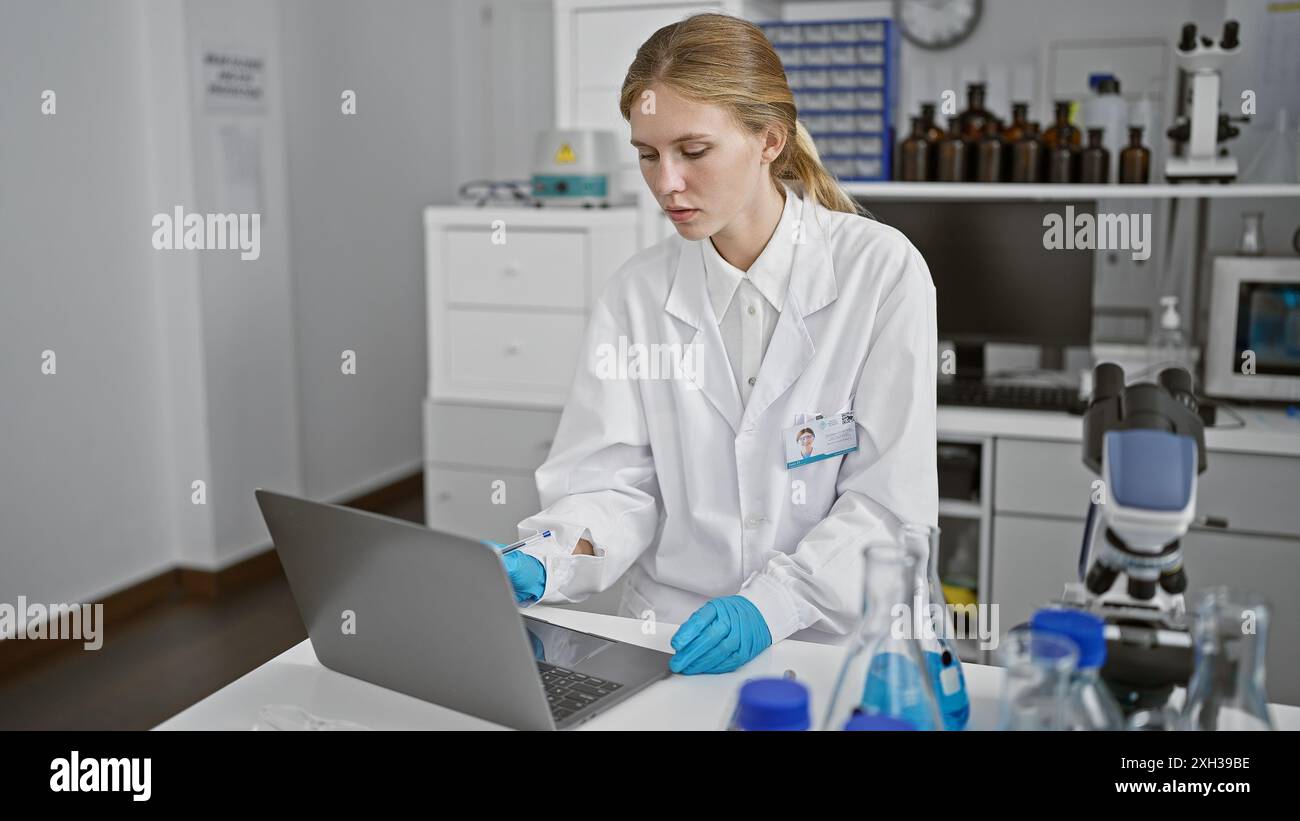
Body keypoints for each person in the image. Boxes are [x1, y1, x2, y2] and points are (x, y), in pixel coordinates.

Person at [501, 12, 938, 675]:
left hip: (833, 644)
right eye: (647, 154)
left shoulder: (879, 272)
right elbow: (616, 484)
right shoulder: (636, 293)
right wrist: (550, 555)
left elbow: (887, 504)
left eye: (693, 151)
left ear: (768, 139)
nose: (666, 183)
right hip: (672, 641)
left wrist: (771, 604)